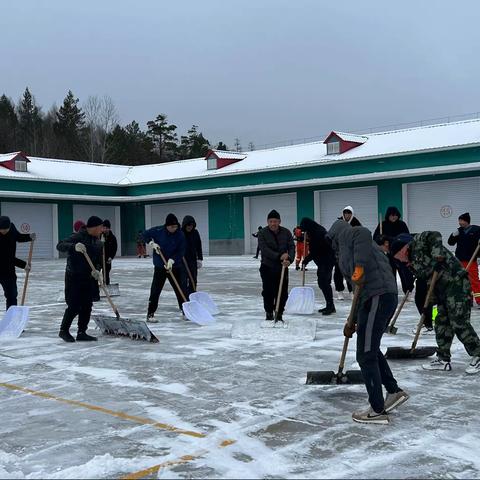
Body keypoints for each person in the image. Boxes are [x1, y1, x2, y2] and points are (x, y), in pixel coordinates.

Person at [327, 219, 408, 424]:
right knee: (370, 348)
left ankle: (377, 410)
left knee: (365, 354)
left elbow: (363, 231)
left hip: (377, 296)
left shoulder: (347, 235)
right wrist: (351, 321)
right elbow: (357, 290)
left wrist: (360, 267)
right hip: (376, 297)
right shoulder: (346, 250)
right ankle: (393, 391)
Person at [391, 231, 480, 375]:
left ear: (402, 249)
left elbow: (435, 234)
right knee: (441, 323)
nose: (399, 260)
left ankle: (478, 354)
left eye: (397, 256)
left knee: (458, 322)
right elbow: (428, 280)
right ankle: (443, 359)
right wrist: (429, 301)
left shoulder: (418, 242)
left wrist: (438, 253)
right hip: (442, 291)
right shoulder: (412, 261)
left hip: (456, 283)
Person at [56, 215, 104, 342]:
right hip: (74, 277)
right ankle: (64, 331)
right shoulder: (78, 236)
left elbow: (98, 261)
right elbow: (60, 245)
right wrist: (74, 246)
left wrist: (97, 271)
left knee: (87, 305)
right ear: (94, 227)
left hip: (88, 278)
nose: (102, 230)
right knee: (74, 305)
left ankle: (82, 332)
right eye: (100, 228)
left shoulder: (98, 242)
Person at [143, 213, 187, 322]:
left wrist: (172, 260)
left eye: (175, 226)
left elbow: (181, 251)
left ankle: (185, 312)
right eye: (172, 227)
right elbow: (144, 234)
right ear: (166, 226)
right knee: (155, 290)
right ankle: (150, 314)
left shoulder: (180, 235)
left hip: (174, 266)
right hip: (160, 266)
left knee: (180, 289)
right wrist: (151, 243)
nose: (174, 229)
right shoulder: (158, 231)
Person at [257, 210, 295, 321]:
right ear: (267, 222)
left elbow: (292, 247)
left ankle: (279, 313)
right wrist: (279, 256)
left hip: (282, 268)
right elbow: (264, 250)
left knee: (282, 293)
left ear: (279, 221)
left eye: (275, 221)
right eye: (271, 221)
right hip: (267, 267)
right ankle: (269, 313)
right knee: (268, 292)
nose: (273, 224)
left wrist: (289, 259)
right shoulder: (262, 233)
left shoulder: (286, 232)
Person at [373, 206, 415, 295]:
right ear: (388, 215)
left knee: (404, 273)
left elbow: (407, 238)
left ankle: (408, 291)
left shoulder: (402, 224)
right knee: (390, 274)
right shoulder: (383, 224)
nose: (394, 217)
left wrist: (390, 239)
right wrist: (380, 238)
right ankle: (392, 291)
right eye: (392, 215)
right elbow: (376, 238)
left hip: (401, 254)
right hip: (388, 254)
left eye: (396, 215)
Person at [300, 217, 336, 315]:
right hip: (323, 261)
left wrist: (306, 260)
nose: (305, 232)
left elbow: (316, 250)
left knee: (323, 282)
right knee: (324, 283)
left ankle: (330, 306)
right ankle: (330, 305)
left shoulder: (318, 233)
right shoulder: (315, 230)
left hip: (327, 260)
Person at [0, 216, 35, 310]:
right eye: (1, 230)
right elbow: (7, 258)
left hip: (8, 271)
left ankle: (11, 318)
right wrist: (24, 265)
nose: (3, 231)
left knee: (12, 295)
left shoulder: (12, 229)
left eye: (5, 229)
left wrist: (28, 236)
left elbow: (18, 237)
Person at [447, 212, 480, 308]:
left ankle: (479, 300)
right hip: (459, 260)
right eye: (459, 220)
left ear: (466, 221)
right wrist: (453, 235)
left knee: (474, 280)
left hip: (471, 259)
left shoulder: (476, 230)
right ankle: (467, 300)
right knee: (461, 281)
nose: (459, 222)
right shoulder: (459, 231)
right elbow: (450, 243)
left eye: (461, 220)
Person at [333, 205, 362, 300]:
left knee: (351, 272)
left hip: (351, 252)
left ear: (352, 214)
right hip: (340, 252)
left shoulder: (356, 224)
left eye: (349, 214)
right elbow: (333, 235)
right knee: (338, 272)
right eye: (345, 213)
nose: (347, 215)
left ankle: (351, 291)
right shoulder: (339, 223)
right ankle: (339, 291)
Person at [182, 215, 203, 297]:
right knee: (183, 280)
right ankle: (184, 297)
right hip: (182, 261)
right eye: (188, 225)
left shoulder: (195, 233)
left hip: (192, 260)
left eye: (192, 226)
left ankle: (192, 295)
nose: (190, 227)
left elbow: (199, 246)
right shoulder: (180, 233)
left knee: (193, 279)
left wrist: (200, 259)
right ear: (185, 225)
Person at [102, 219, 118, 286]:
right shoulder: (100, 236)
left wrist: (111, 257)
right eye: (104, 228)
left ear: (109, 228)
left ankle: (106, 285)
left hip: (107, 259)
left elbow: (114, 248)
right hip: (99, 257)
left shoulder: (112, 238)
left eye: (106, 228)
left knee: (106, 273)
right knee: (95, 273)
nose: (105, 229)